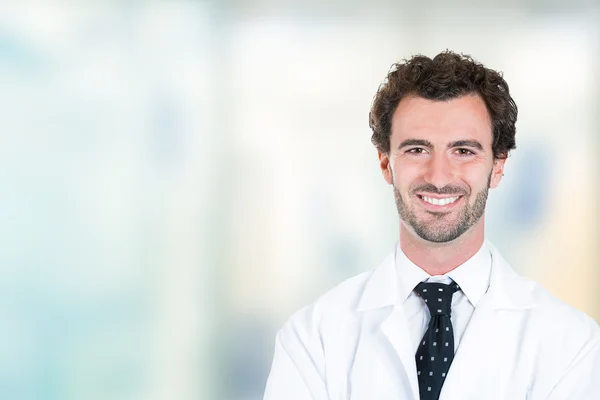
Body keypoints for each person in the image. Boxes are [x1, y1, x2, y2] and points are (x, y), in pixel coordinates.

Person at [262, 51, 600, 400]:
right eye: (417, 150)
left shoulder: (571, 344)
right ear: (385, 164)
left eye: (464, 151)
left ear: (498, 167)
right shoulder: (311, 339)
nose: (439, 177)